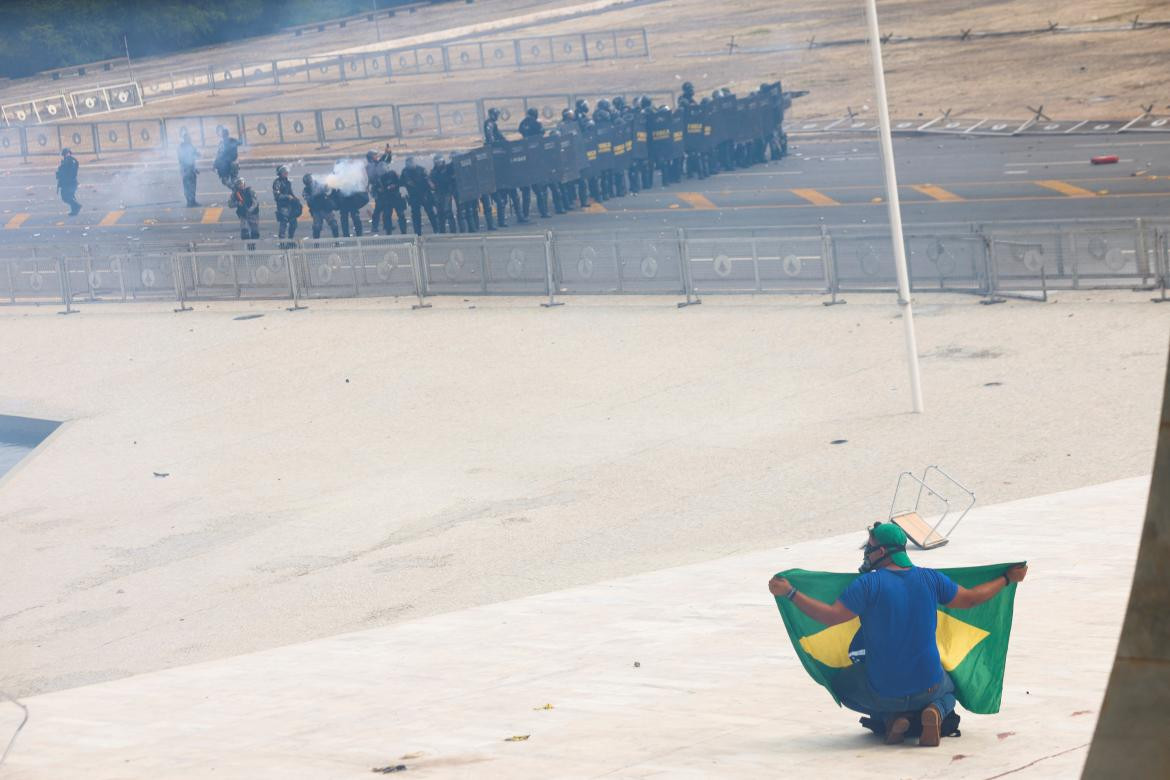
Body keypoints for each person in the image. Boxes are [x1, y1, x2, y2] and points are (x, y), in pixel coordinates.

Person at [767, 523, 1028, 747]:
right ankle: (935, 710)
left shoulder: (867, 584)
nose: (867, 553)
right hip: (928, 686)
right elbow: (971, 600)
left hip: (883, 691)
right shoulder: (931, 579)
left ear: (881, 552)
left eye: (869, 547)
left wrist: (790, 593)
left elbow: (830, 616)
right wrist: (1007, 578)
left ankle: (891, 718)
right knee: (951, 686)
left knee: (841, 685)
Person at [401, 156, 438, 235]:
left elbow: (428, 181)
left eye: (410, 163)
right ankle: (417, 233)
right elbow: (401, 183)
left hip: (424, 195)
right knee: (416, 215)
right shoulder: (405, 172)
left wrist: (431, 187)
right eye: (408, 163)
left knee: (430, 213)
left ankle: (436, 229)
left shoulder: (421, 170)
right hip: (413, 196)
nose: (409, 165)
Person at [302, 173, 339, 239]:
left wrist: (327, 187)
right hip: (316, 211)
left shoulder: (319, 184)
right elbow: (309, 199)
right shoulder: (306, 190)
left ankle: (337, 242)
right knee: (317, 227)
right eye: (309, 178)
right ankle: (316, 245)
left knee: (334, 225)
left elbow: (327, 190)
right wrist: (316, 193)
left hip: (326, 208)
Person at [272, 165, 300, 242]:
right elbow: (277, 196)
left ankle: (290, 240)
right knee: (283, 223)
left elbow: (291, 192)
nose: (286, 173)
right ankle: (282, 242)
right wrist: (287, 196)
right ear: (280, 173)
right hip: (282, 206)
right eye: (284, 172)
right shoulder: (277, 182)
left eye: (286, 172)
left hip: (290, 206)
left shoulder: (288, 182)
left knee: (294, 224)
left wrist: (296, 199)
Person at [213, 125, 241, 190]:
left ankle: (236, 191)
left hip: (227, 165)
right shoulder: (233, 140)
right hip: (234, 163)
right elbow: (240, 142)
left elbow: (218, 155)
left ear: (223, 135)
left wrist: (214, 165)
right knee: (234, 179)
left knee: (225, 181)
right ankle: (238, 193)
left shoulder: (222, 143)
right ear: (228, 134)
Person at [55, 148, 81, 216]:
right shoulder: (71, 160)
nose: (65, 155)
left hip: (69, 183)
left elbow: (68, 172)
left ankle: (77, 206)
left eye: (65, 154)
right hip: (70, 182)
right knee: (70, 196)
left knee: (65, 197)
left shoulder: (69, 161)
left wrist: (60, 173)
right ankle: (74, 211)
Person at [178, 130, 200, 207]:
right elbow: (182, 159)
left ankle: (192, 201)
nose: (189, 139)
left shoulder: (189, 146)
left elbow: (195, 156)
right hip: (186, 169)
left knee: (191, 186)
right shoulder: (183, 147)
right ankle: (190, 202)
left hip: (189, 169)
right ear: (185, 139)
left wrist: (195, 168)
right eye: (188, 138)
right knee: (188, 186)